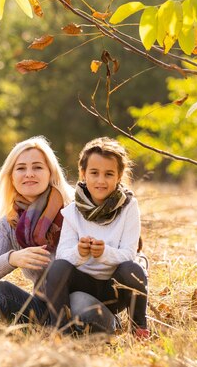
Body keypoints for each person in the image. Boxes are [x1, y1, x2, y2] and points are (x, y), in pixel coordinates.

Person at [0, 136, 115, 334]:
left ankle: (74, 344)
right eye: (21, 168)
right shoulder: (9, 224)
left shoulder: (77, 210)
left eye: (37, 167)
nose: (29, 174)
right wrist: (12, 258)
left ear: (50, 173)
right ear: (11, 176)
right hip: (46, 311)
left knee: (78, 302)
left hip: (90, 306)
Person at [44, 137, 149, 338]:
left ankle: (139, 330)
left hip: (113, 288)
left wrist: (104, 253)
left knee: (133, 269)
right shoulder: (72, 212)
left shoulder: (128, 207)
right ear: (83, 174)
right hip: (82, 283)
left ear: (119, 176)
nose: (101, 180)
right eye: (94, 173)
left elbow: (128, 254)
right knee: (57, 267)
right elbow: (63, 255)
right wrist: (79, 252)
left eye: (109, 174)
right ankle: (60, 331)